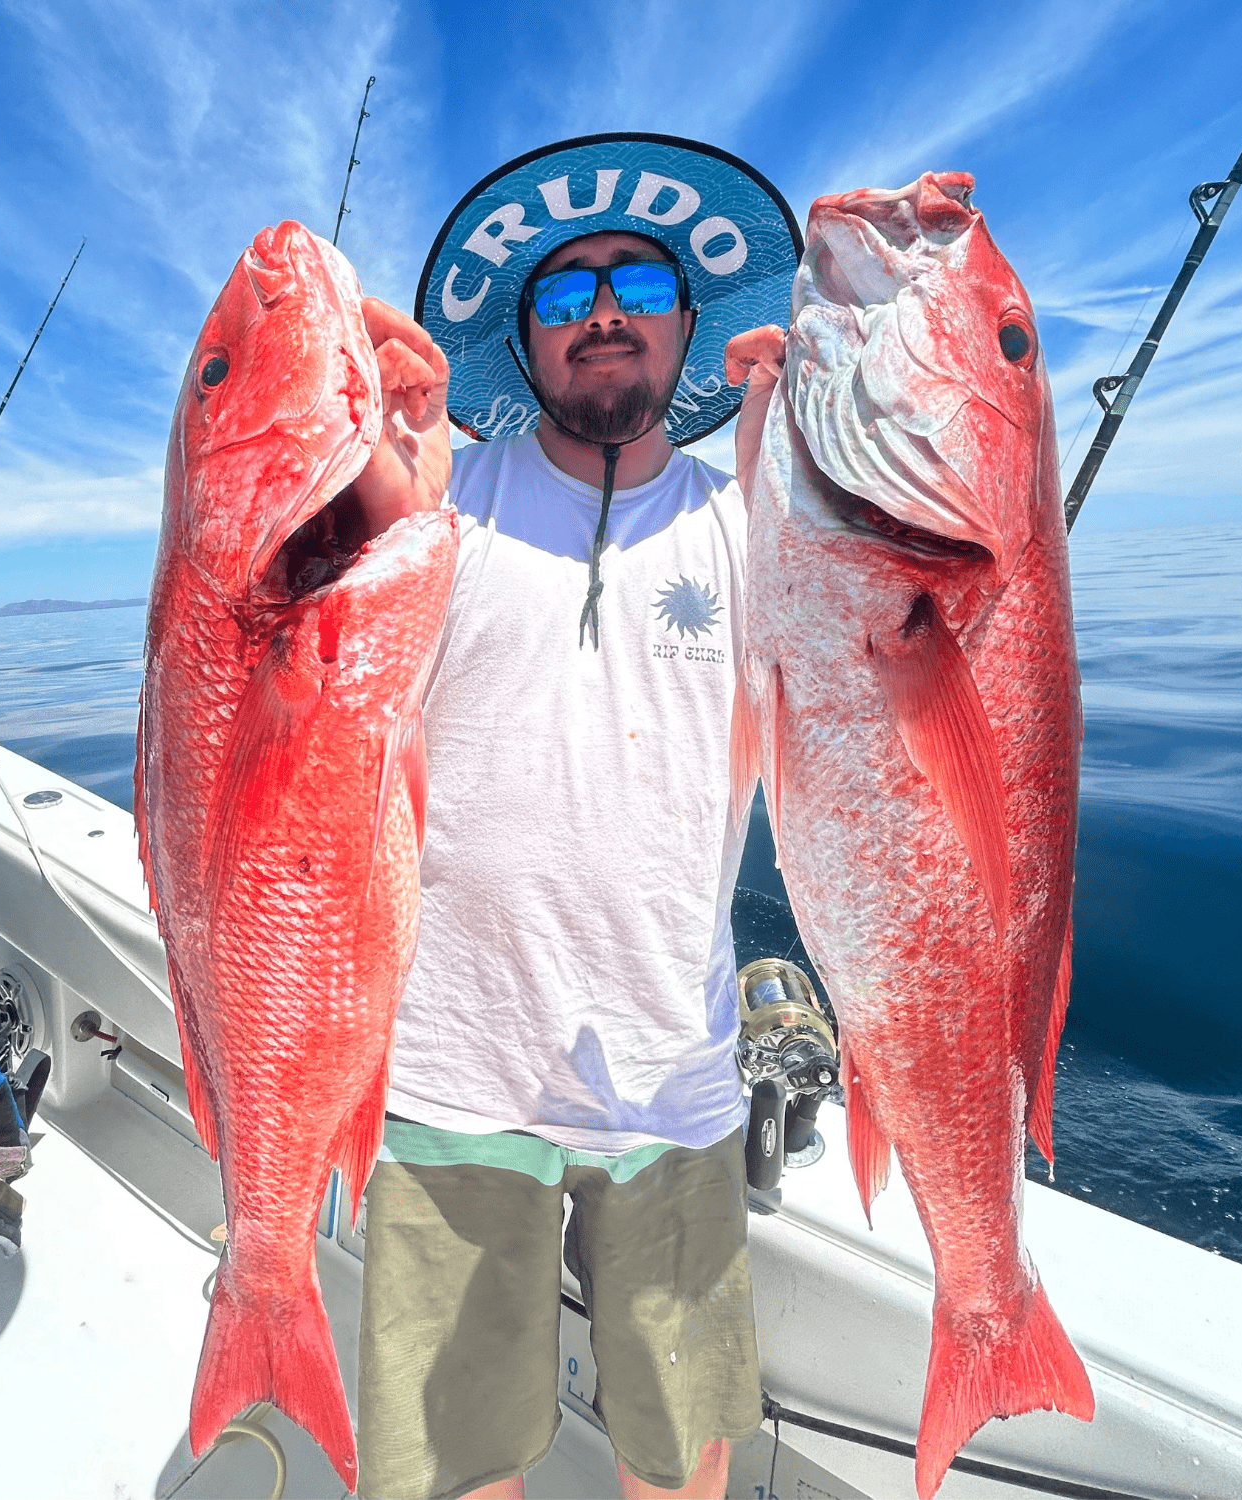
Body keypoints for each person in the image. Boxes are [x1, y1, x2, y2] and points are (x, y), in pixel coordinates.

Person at [341, 135, 802, 1500]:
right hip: (446, 1066)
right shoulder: (436, 509)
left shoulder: (752, 529)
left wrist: (821, 454)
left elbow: (893, 677)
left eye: (637, 280)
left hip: (675, 1067)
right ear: (523, 344)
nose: (602, 311)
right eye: (562, 294)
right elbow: (300, 659)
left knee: (683, 1458)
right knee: (454, 1464)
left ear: (684, 322)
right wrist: (361, 466)